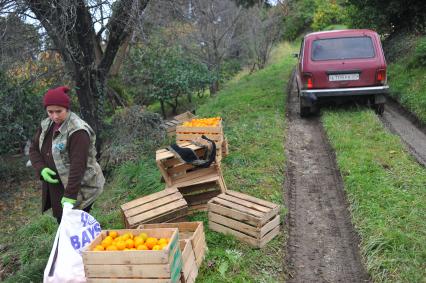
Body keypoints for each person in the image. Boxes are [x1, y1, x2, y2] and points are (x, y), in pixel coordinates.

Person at [29, 86, 104, 224]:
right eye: (50, 111)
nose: (55, 116)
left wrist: (70, 195)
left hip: (79, 187)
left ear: (67, 109)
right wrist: (41, 168)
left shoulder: (78, 131)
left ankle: (86, 244)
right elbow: (33, 149)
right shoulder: (47, 125)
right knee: (63, 222)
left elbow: (78, 165)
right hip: (57, 186)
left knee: (73, 225)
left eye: (59, 111)